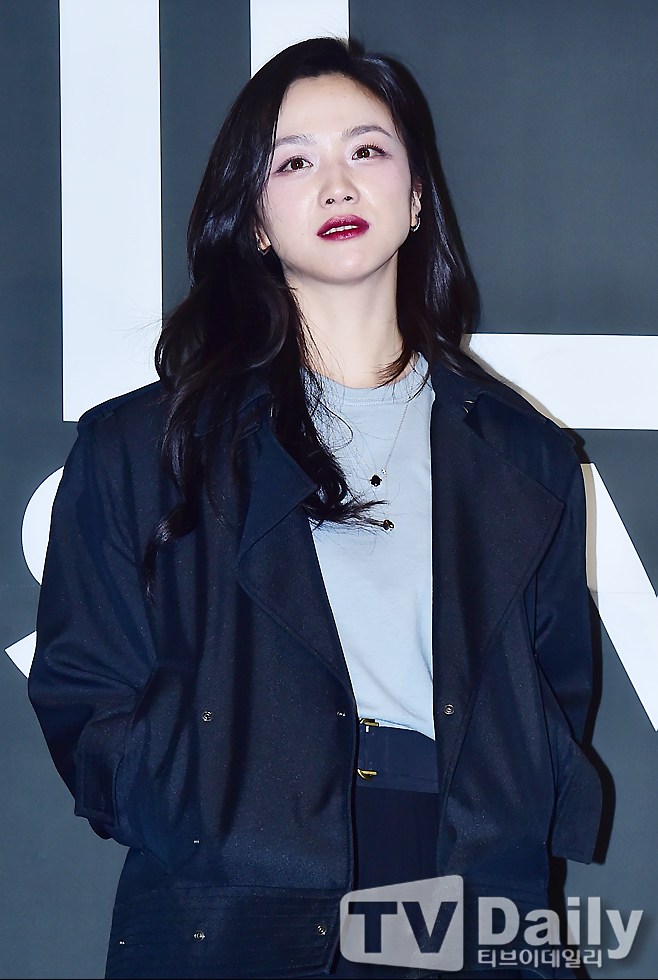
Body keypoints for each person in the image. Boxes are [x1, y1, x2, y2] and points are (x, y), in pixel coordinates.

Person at [28, 37, 602, 980]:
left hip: (468, 887)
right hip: (238, 894)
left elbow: (553, 693)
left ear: (415, 199)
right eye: (293, 162)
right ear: (254, 221)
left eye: (367, 150)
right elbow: (84, 691)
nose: (337, 184)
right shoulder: (146, 447)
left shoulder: (523, 455)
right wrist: (211, 809)